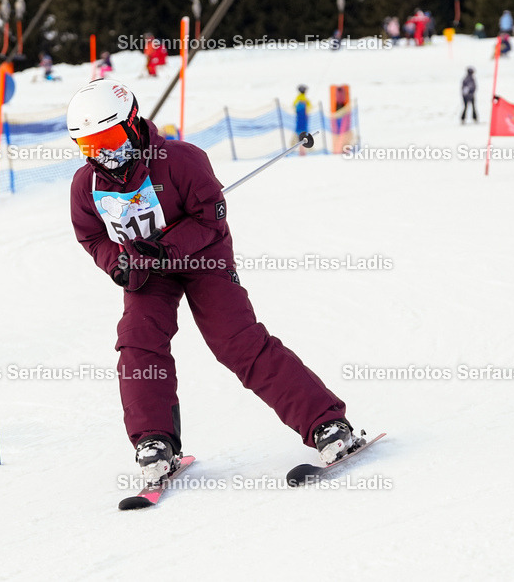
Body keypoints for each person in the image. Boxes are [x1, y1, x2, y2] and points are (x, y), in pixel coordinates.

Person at [67, 79, 357, 484]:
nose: (104, 154)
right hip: (148, 272)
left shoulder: (181, 160)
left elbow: (211, 220)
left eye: (110, 139)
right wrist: (118, 264)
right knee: (138, 341)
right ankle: (154, 442)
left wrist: (165, 249)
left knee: (237, 341)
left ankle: (326, 423)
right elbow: (92, 236)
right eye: (90, 146)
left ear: (133, 123)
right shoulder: (87, 185)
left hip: (203, 258)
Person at [292, 84, 311, 155]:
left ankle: (302, 150)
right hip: (302, 120)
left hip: (300, 120)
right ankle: (302, 151)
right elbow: (309, 107)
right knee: (302, 135)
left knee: (300, 135)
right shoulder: (304, 99)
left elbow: (294, 105)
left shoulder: (298, 99)